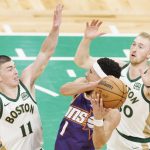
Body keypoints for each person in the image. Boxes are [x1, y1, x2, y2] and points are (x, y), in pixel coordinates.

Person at [74, 20, 150, 149]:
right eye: (134, 44)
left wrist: (148, 87)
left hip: (138, 143)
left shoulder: (147, 79)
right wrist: (86, 40)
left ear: (149, 54)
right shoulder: (118, 69)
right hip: (115, 137)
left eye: (140, 47)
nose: (134, 49)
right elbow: (81, 61)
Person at [0, 4, 63, 150]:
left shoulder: (26, 83)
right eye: (9, 69)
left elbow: (45, 53)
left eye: (14, 67)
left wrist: (55, 29)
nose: (15, 71)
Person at [55, 57, 122, 150]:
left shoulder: (112, 112)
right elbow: (63, 90)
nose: (86, 74)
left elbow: (98, 144)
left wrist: (98, 119)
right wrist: (93, 85)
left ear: (100, 78)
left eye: (90, 72)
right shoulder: (82, 85)